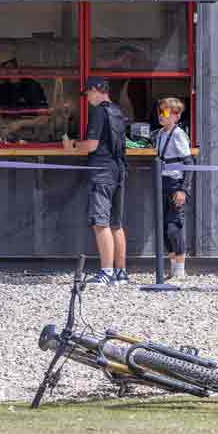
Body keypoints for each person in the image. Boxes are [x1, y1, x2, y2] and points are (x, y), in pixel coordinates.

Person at [61, 76, 129, 285]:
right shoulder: (117, 111)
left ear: (98, 90)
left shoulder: (99, 112)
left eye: (88, 92)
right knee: (116, 224)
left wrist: (71, 145)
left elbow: (91, 145)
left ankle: (106, 272)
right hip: (118, 171)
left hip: (101, 172)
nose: (87, 97)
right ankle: (121, 273)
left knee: (100, 223)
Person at [155, 97, 192, 281]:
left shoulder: (178, 135)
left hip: (175, 184)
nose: (161, 115)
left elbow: (188, 162)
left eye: (166, 112)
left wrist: (183, 189)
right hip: (162, 182)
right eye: (160, 111)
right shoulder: (160, 133)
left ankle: (180, 268)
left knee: (174, 226)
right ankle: (172, 266)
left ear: (176, 116)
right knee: (163, 227)